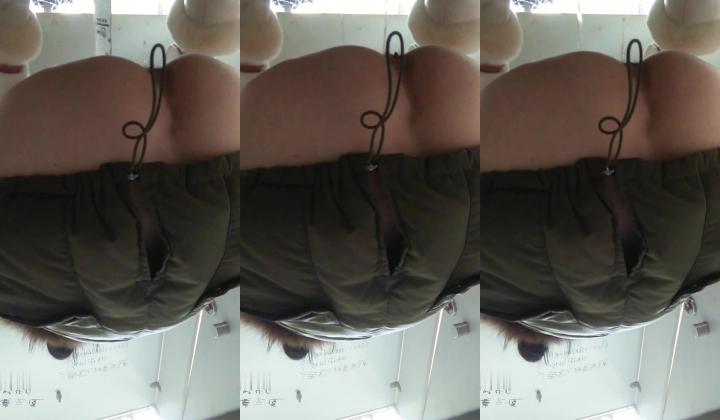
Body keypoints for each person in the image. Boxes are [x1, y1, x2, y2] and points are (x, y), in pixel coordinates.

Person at [239, 0, 480, 360]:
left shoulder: (416, 311)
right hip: (284, 214)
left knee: (448, 55)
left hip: (458, 191)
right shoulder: (272, 302)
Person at [480, 0, 720, 362]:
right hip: (523, 216)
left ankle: (689, 23)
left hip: (700, 183)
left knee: (684, 62)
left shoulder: (644, 314)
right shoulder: (509, 302)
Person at [0, 0, 241, 359]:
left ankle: (209, 23)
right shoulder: (28, 303)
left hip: (219, 196)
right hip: (40, 217)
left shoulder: (174, 315)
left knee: (205, 63)